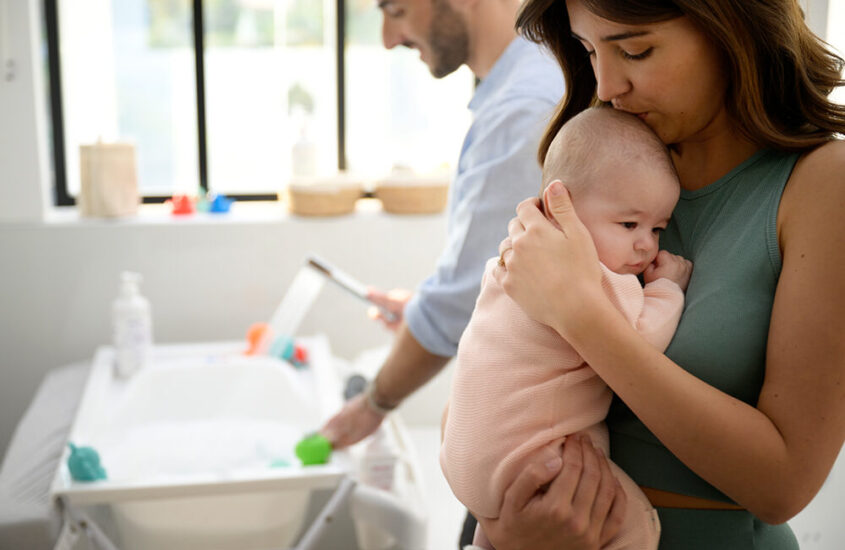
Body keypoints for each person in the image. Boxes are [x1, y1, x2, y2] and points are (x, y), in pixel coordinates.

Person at [479, 0, 845, 549]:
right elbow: (495, 369)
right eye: (587, 50)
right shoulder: (606, 158)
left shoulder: (822, 184)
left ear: (733, 28)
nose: (606, 85)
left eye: (635, 50)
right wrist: (510, 528)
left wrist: (581, 316)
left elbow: (784, 485)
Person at [322, 1, 566, 541]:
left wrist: (374, 403)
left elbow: (458, 307)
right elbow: (498, 281)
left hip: (531, 460)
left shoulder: (523, 107)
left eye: (397, 10)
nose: (388, 38)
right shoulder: (521, 86)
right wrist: (424, 309)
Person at [441, 106, 693, 550]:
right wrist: (666, 289)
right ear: (562, 210)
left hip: (464, 457)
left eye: (657, 228)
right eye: (628, 223)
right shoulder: (595, 278)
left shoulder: (508, 260)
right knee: (632, 520)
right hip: (533, 462)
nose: (646, 244)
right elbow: (641, 342)